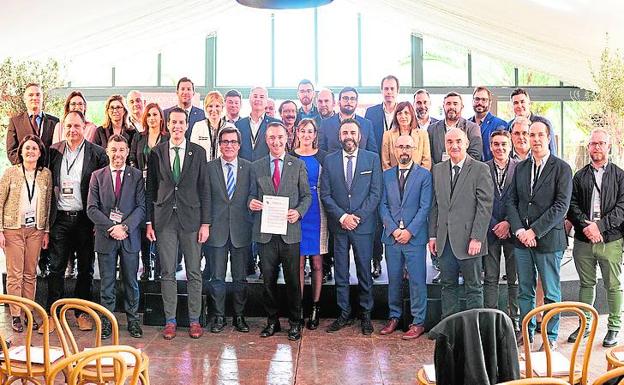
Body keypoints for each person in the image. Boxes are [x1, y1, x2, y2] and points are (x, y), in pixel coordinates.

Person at [507, 117, 572, 351]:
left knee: (551, 293)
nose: (534, 139)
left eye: (539, 135)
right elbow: (511, 202)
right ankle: (527, 331)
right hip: (522, 241)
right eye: (530, 135)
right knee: (525, 290)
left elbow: (561, 206)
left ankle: (550, 336)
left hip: (549, 240)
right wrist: (520, 230)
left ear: (548, 138)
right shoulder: (521, 167)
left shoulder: (562, 168)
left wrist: (534, 230)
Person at [145, 107, 210, 340]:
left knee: (194, 271)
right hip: (164, 220)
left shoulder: (198, 152)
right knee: (167, 271)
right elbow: (150, 188)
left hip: (192, 219)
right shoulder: (157, 152)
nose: (177, 126)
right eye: (173, 122)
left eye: (181, 122)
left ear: (187, 125)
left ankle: (194, 320)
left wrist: (206, 223)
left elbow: (205, 189)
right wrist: (149, 222)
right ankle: (170, 320)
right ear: (168, 124)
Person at [45, 110, 108, 334]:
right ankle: (53, 314)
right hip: (60, 218)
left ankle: (82, 313)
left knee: (85, 269)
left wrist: (98, 221)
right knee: (56, 267)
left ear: (85, 127)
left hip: (85, 219)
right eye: (69, 126)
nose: (73, 130)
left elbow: (104, 189)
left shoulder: (98, 153)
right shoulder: (53, 152)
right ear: (63, 128)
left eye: (77, 126)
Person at [248, 122, 311, 341]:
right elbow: (249, 196)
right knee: (268, 281)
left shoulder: (298, 165)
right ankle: (272, 321)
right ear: (266, 140)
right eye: (272, 138)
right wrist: (251, 203)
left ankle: (295, 322)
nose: (276, 142)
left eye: (280, 137)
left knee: (294, 280)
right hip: (265, 234)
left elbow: (307, 197)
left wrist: (298, 212)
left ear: (287, 138)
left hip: (290, 233)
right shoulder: (256, 166)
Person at [321, 118, 382, 335]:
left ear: (360, 136)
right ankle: (343, 313)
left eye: (353, 132)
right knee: (341, 272)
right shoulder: (329, 160)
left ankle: (366, 314)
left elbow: (376, 193)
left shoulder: (372, 159)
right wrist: (342, 217)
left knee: (365, 271)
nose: (349, 136)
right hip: (339, 227)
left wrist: (356, 216)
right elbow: (325, 194)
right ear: (339, 136)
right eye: (345, 132)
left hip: (363, 226)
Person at [428, 128, 493, 319]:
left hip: (470, 241)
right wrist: (433, 235)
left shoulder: (481, 169)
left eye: (458, 141)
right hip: (444, 240)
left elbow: (485, 206)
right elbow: (435, 206)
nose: (454, 145)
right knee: (448, 286)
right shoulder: (438, 170)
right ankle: (450, 329)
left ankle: (475, 330)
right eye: (449, 142)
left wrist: (477, 238)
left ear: (466, 143)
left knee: (473, 287)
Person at [567, 128, 624, 348]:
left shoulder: (620, 176)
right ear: (588, 147)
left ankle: (614, 328)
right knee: (586, 284)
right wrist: (587, 226)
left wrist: (600, 227)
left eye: (601, 143)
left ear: (608, 146)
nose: (597, 147)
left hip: (610, 239)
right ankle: (585, 324)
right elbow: (571, 205)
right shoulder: (579, 175)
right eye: (593, 143)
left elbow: (621, 208)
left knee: (613, 285)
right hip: (584, 240)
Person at [87, 134, 145, 339]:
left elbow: (141, 207)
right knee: (107, 283)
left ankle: (133, 320)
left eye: (121, 150)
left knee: (131, 282)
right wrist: (113, 227)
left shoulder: (136, 175)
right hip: (106, 237)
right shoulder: (97, 176)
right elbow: (91, 208)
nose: (117, 154)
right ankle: (107, 321)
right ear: (107, 151)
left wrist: (125, 228)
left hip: (129, 238)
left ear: (127, 151)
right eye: (114, 150)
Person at [379, 135, 432, 339]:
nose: (404, 150)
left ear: (415, 149)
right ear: (394, 148)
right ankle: (394, 317)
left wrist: (409, 231)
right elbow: (382, 205)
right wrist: (393, 229)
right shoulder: (386, 175)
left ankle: (418, 322)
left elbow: (425, 206)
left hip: (414, 238)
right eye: (400, 146)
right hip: (392, 238)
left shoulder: (424, 176)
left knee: (417, 281)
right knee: (393, 279)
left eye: (408, 147)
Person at [0, 135, 52, 333]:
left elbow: (47, 204)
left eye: (34, 149)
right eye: (27, 148)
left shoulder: (45, 174)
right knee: (15, 274)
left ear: (40, 153)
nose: (30, 152)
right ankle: (16, 315)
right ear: (21, 151)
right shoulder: (10, 173)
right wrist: (0, 230)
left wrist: (46, 230)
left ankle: (28, 313)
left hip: (36, 230)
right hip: (13, 229)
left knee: (31, 274)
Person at [206, 127, 253, 334]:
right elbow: (205, 199)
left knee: (240, 277)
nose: (229, 145)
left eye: (233, 142)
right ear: (219, 145)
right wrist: (205, 225)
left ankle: (239, 316)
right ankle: (218, 317)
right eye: (225, 142)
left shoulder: (249, 168)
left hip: (241, 230)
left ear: (239, 145)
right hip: (216, 230)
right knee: (216, 277)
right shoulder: (209, 168)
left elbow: (252, 196)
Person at [291, 118, 328, 330]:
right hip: (297, 212)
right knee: (298, 262)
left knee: (316, 262)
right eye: (303, 130)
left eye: (310, 131)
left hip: (318, 211)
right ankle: (299, 307)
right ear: (298, 133)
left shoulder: (322, 157)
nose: (306, 134)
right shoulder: (291, 156)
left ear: (315, 135)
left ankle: (315, 306)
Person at [484, 130, 519, 331]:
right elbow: (479, 200)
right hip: (490, 230)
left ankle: (514, 318)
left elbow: (522, 200)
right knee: (490, 277)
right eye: (496, 144)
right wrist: (494, 224)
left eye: (504, 144)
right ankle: (491, 319)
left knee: (514, 277)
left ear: (510, 145)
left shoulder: (520, 168)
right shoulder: (482, 168)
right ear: (491, 147)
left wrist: (508, 223)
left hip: (513, 231)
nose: (500, 148)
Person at [129, 103, 169, 280]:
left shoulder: (167, 138)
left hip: (162, 189)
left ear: (161, 117)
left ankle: (160, 267)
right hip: (140, 187)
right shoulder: (139, 137)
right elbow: (131, 159)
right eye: (149, 115)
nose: (152, 118)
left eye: (155, 114)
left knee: (160, 227)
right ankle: (146, 266)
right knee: (145, 225)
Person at [6, 83, 58, 165]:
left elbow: (57, 150)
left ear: (42, 98)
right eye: (31, 95)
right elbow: (11, 151)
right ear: (25, 99)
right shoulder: (15, 122)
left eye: (38, 95)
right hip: (23, 173)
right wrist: (27, 168)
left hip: (47, 173)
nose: (35, 98)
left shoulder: (55, 122)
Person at [318, 87, 378, 154]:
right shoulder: (326, 124)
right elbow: (321, 152)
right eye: (345, 98)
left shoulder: (367, 124)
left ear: (356, 103)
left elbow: (373, 154)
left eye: (352, 99)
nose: (349, 101)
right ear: (339, 102)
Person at [428, 92, 483, 164]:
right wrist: (438, 170)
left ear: (462, 107)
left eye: (455, 104)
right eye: (448, 103)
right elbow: (428, 155)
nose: (451, 107)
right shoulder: (432, 129)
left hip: (465, 173)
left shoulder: (472, 128)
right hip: (438, 173)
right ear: (443, 106)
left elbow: (475, 155)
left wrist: (456, 167)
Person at [380, 101, 431, 171]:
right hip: (393, 179)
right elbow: (385, 163)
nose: (403, 116)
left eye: (406, 113)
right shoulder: (387, 135)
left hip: (418, 179)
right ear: (396, 116)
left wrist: (418, 178)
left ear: (412, 115)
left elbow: (426, 162)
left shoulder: (423, 135)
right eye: (399, 113)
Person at [236, 86, 281, 161]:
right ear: (250, 99)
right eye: (255, 96)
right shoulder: (239, 124)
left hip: (267, 168)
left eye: (261, 97)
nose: (258, 99)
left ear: (266, 101)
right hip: (243, 169)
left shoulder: (276, 124)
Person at [507, 88, 557, 154]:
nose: (519, 105)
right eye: (516, 103)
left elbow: (552, 150)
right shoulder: (509, 125)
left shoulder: (543, 123)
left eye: (522, 102)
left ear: (529, 104)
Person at [189, 90, 236, 161]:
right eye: (210, 106)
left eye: (217, 106)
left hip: (223, 168)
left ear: (222, 107)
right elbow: (193, 151)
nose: (214, 109)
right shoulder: (198, 126)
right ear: (205, 108)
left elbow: (233, 151)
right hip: (203, 168)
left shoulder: (230, 127)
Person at [469, 86, 508, 161]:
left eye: (484, 100)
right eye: (477, 99)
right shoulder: (466, 124)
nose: (480, 102)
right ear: (472, 101)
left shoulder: (500, 124)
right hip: (470, 169)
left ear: (489, 103)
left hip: (491, 170)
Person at [365, 75, 400, 154]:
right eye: (386, 88)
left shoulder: (403, 112)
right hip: (377, 158)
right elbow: (367, 140)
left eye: (392, 89)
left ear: (398, 91)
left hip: (399, 159)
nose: (389, 92)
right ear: (381, 91)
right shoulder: (371, 112)